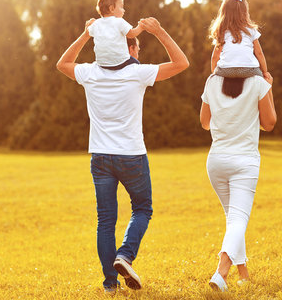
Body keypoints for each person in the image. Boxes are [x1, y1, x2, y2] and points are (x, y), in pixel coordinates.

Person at [56, 17, 189, 294]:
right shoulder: (136, 72)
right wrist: (160, 31)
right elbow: (181, 63)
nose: (139, 54)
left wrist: (85, 34)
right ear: (129, 49)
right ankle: (125, 256)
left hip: (100, 157)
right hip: (131, 156)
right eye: (137, 49)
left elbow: (62, 64)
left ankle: (109, 285)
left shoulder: (91, 72)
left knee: (105, 220)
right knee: (142, 209)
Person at [199, 68, 277, 291]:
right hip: (244, 162)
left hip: (216, 162)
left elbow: (205, 122)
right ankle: (221, 273)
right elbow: (270, 123)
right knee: (238, 220)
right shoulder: (258, 82)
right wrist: (268, 88)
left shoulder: (212, 81)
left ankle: (243, 274)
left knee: (233, 219)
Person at [209, 0, 269, 79]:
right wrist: (265, 72)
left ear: (224, 12)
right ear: (245, 12)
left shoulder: (222, 31)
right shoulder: (251, 30)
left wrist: (214, 73)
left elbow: (215, 57)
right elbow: (259, 53)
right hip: (249, 70)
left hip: (225, 71)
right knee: (265, 85)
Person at [88, 0, 144, 68]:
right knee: (136, 63)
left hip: (102, 64)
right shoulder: (119, 21)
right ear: (111, 8)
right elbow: (131, 34)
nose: (123, 10)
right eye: (121, 7)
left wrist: (90, 24)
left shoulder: (96, 24)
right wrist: (141, 27)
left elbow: (89, 32)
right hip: (120, 62)